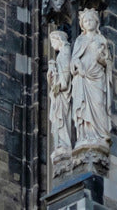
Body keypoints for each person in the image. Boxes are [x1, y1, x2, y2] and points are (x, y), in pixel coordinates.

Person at [69, 8, 112, 150]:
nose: (88, 23)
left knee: (99, 103)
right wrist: (77, 65)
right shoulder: (80, 40)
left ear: (96, 22)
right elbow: (74, 59)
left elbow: (107, 61)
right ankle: (85, 136)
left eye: (90, 20)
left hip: (97, 76)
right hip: (82, 77)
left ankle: (100, 134)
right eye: (85, 21)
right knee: (83, 106)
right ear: (82, 24)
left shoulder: (101, 39)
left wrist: (102, 59)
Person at [47, 29, 73, 161]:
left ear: (59, 39)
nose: (52, 45)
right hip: (58, 95)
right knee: (57, 121)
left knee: (61, 120)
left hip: (62, 95)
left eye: (53, 41)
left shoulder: (64, 53)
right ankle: (60, 145)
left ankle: (64, 144)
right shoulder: (61, 54)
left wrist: (57, 85)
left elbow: (65, 79)